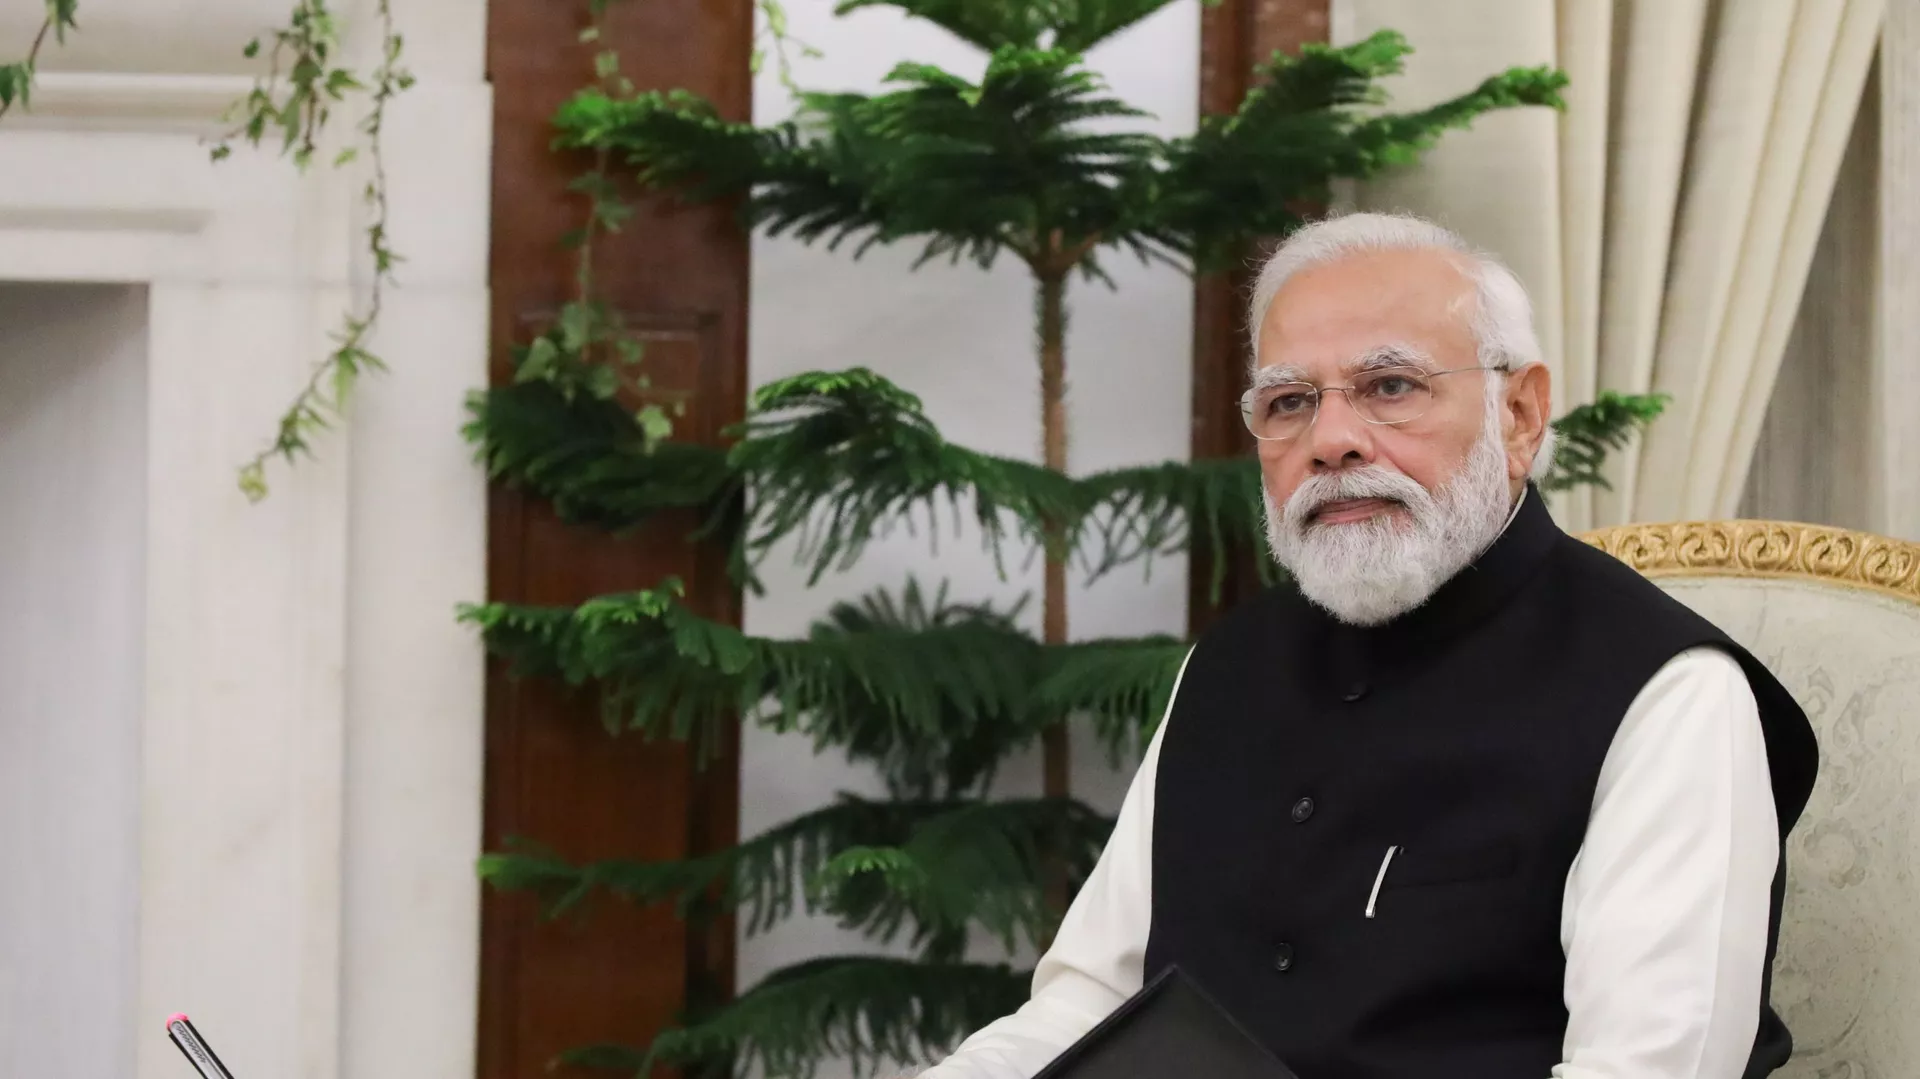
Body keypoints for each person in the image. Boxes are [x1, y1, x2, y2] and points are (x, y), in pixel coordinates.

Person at [916, 213, 1818, 1079]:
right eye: (1289, 402)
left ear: (1519, 414)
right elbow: (1091, 1004)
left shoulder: (1670, 696)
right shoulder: (1226, 666)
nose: (1332, 441)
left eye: (1391, 386)